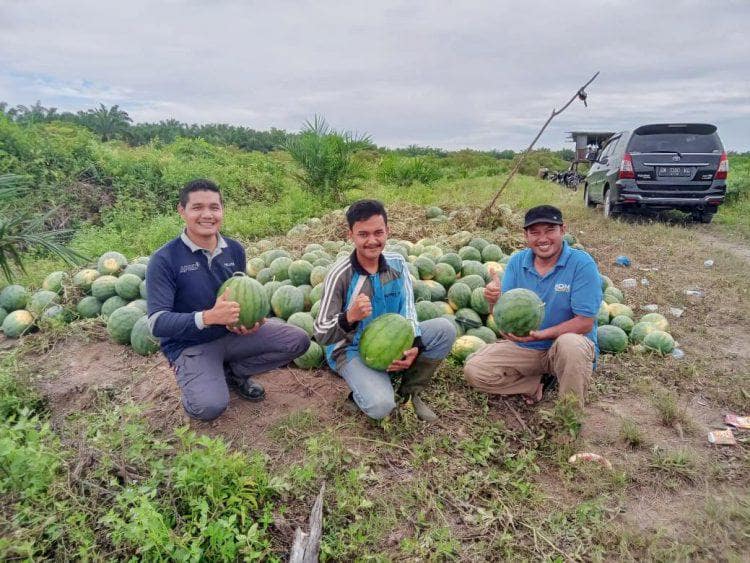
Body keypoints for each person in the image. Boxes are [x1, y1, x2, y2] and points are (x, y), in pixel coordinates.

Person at [146, 179, 309, 421]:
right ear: (182, 211)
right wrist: (209, 317)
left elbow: (241, 294)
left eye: (214, 207)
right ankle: (198, 380)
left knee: (297, 340)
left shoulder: (234, 249)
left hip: (230, 336)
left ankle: (234, 372)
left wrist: (249, 320)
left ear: (222, 210)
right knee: (209, 407)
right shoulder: (164, 259)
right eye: (197, 207)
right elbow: (157, 323)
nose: (207, 215)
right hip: (191, 344)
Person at [313, 199, 456, 422]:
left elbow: (408, 310)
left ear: (388, 231)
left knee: (445, 329)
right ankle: (363, 389)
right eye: (363, 234)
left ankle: (410, 392)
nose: (372, 241)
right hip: (351, 349)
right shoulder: (340, 274)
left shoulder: (398, 263)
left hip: (392, 339)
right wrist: (349, 317)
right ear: (350, 235)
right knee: (380, 406)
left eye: (378, 232)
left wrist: (415, 346)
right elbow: (321, 332)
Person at [463, 205, 602, 405]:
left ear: (563, 230)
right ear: (526, 236)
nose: (542, 239)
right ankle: (536, 384)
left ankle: (569, 415)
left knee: (570, 344)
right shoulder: (517, 262)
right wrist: (494, 302)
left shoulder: (581, 264)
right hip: (527, 348)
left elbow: (585, 322)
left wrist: (544, 334)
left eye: (549, 231)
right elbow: (504, 316)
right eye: (535, 233)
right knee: (475, 370)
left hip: (564, 350)